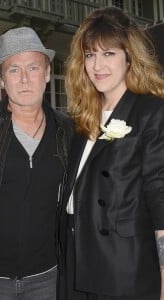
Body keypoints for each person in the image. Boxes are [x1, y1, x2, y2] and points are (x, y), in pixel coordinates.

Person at [0, 26, 73, 300]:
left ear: (46, 75)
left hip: (47, 277)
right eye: (14, 70)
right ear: (3, 81)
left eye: (33, 68)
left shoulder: (67, 130)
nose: (24, 79)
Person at [59, 6, 164, 300]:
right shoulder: (81, 119)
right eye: (90, 55)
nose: (97, 65)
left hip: (122, 268)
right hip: (75, 259)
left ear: (129, 58)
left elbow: (161, 200)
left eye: (109, 54)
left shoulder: (150, 112)